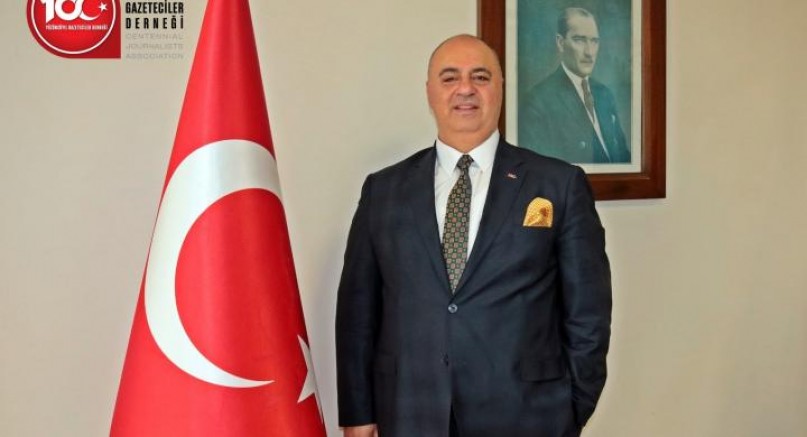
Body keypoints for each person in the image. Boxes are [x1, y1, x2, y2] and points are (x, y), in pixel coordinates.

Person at [336, 34, 612, 437]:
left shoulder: (559, 185)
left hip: (529, 417)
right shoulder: (383, 191)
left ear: (500, 88)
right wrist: (358, 413)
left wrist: (569, 410)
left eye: (480, 77)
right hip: (410, 413)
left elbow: (588, 314)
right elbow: (357, 314)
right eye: (449, 78)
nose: (465, 88)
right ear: (430, 92)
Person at [520, 7, 630, 164]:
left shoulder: (604, 94)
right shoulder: (538, 102)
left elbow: (623, 158)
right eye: (580, 40)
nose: (589, 52)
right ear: (560, 43)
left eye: (594, 41)